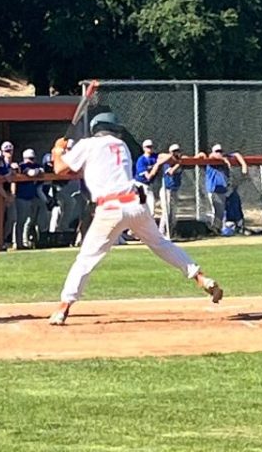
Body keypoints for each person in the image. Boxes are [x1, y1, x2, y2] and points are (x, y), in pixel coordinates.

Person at [48, 112, 223, 326]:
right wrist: (66, 153)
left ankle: (64, 306)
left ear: (96, 128)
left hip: (110, 208)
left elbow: (59, 169)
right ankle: (199, 276)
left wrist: (58, 151)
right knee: (161, 243)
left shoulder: (88, 144)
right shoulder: (121, 146)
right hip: (136, 204)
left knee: (86, 258)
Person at [203, 144, 248, 233]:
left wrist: (243, 165)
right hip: (213, 189)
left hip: (223, 189)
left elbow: (236, 154)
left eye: (220, 151)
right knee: (216, 211)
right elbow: (211, 155)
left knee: (221, 211)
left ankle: (218, 230)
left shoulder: (225, 157)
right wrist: (223, 159)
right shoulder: (211, 159)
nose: (219, 153)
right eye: (217, 151)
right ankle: (214, 230)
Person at [14, 148, 45, 249]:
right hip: (21, 197)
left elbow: (42, 171)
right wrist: (37, 171)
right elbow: (31, 173)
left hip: (32, 197)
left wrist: (37, 170)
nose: (32, 161)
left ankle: (26, 241)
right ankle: (18, 243)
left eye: (33, 158)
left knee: (31, 221)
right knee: (21, 221)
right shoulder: (22, 166)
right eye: (30, 159)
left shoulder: (35, 165)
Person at [157, 143, 184, 240]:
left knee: (173, 213)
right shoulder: (168, 161)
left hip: (175, 190)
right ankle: (161, 233)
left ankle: (171, 233)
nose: (176, 153)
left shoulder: (180, 161)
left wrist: (180, 162)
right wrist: (178, 163)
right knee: (166, 212)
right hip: (166, 190)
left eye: (178, 151)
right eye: (174, 151)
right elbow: (171, 171)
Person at [134, 139, 159, 216]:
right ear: (144, 148)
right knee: (142, 207)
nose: (150, 148)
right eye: (148, 147)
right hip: (140, 185)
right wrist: (156, 167)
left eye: (151, 147)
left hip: (148, 185)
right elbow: (148, 177)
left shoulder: (154, 157)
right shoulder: (141, 160)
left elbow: (163, 157)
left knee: (152, 210)